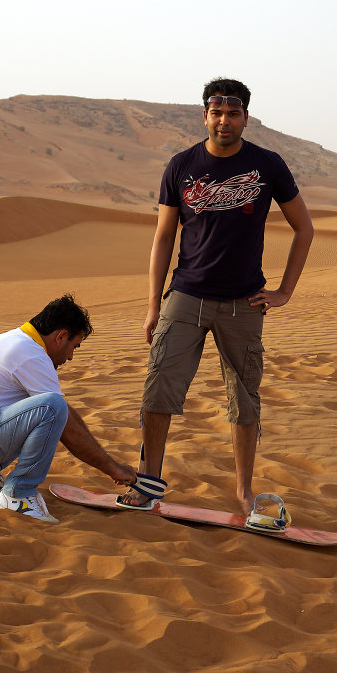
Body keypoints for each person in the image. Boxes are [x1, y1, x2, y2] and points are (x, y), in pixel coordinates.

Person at [119, 77, 314, 514]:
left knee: (245, 398)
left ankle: (243, 490)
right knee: (158, 389)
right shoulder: (181, 165)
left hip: (243, 303)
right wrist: (154, 305)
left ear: (245, 117)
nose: (224, 121)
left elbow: (305, 228)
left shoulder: (268, 165)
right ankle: (148, 482)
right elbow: (163, 237)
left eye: (234, 113)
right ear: (205, 115)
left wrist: (285, 291)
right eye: (217, 113)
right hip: (186, 295)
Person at [0, 293, 137, 523]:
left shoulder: (19, 343)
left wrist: (109, 462)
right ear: (61, 336)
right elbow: (61, 417)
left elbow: (65, 412)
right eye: (74, 348)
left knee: (49, 406)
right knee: (50, 407)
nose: (69, 357)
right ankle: (18, 496)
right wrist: (112, 468)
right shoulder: (30, 355)